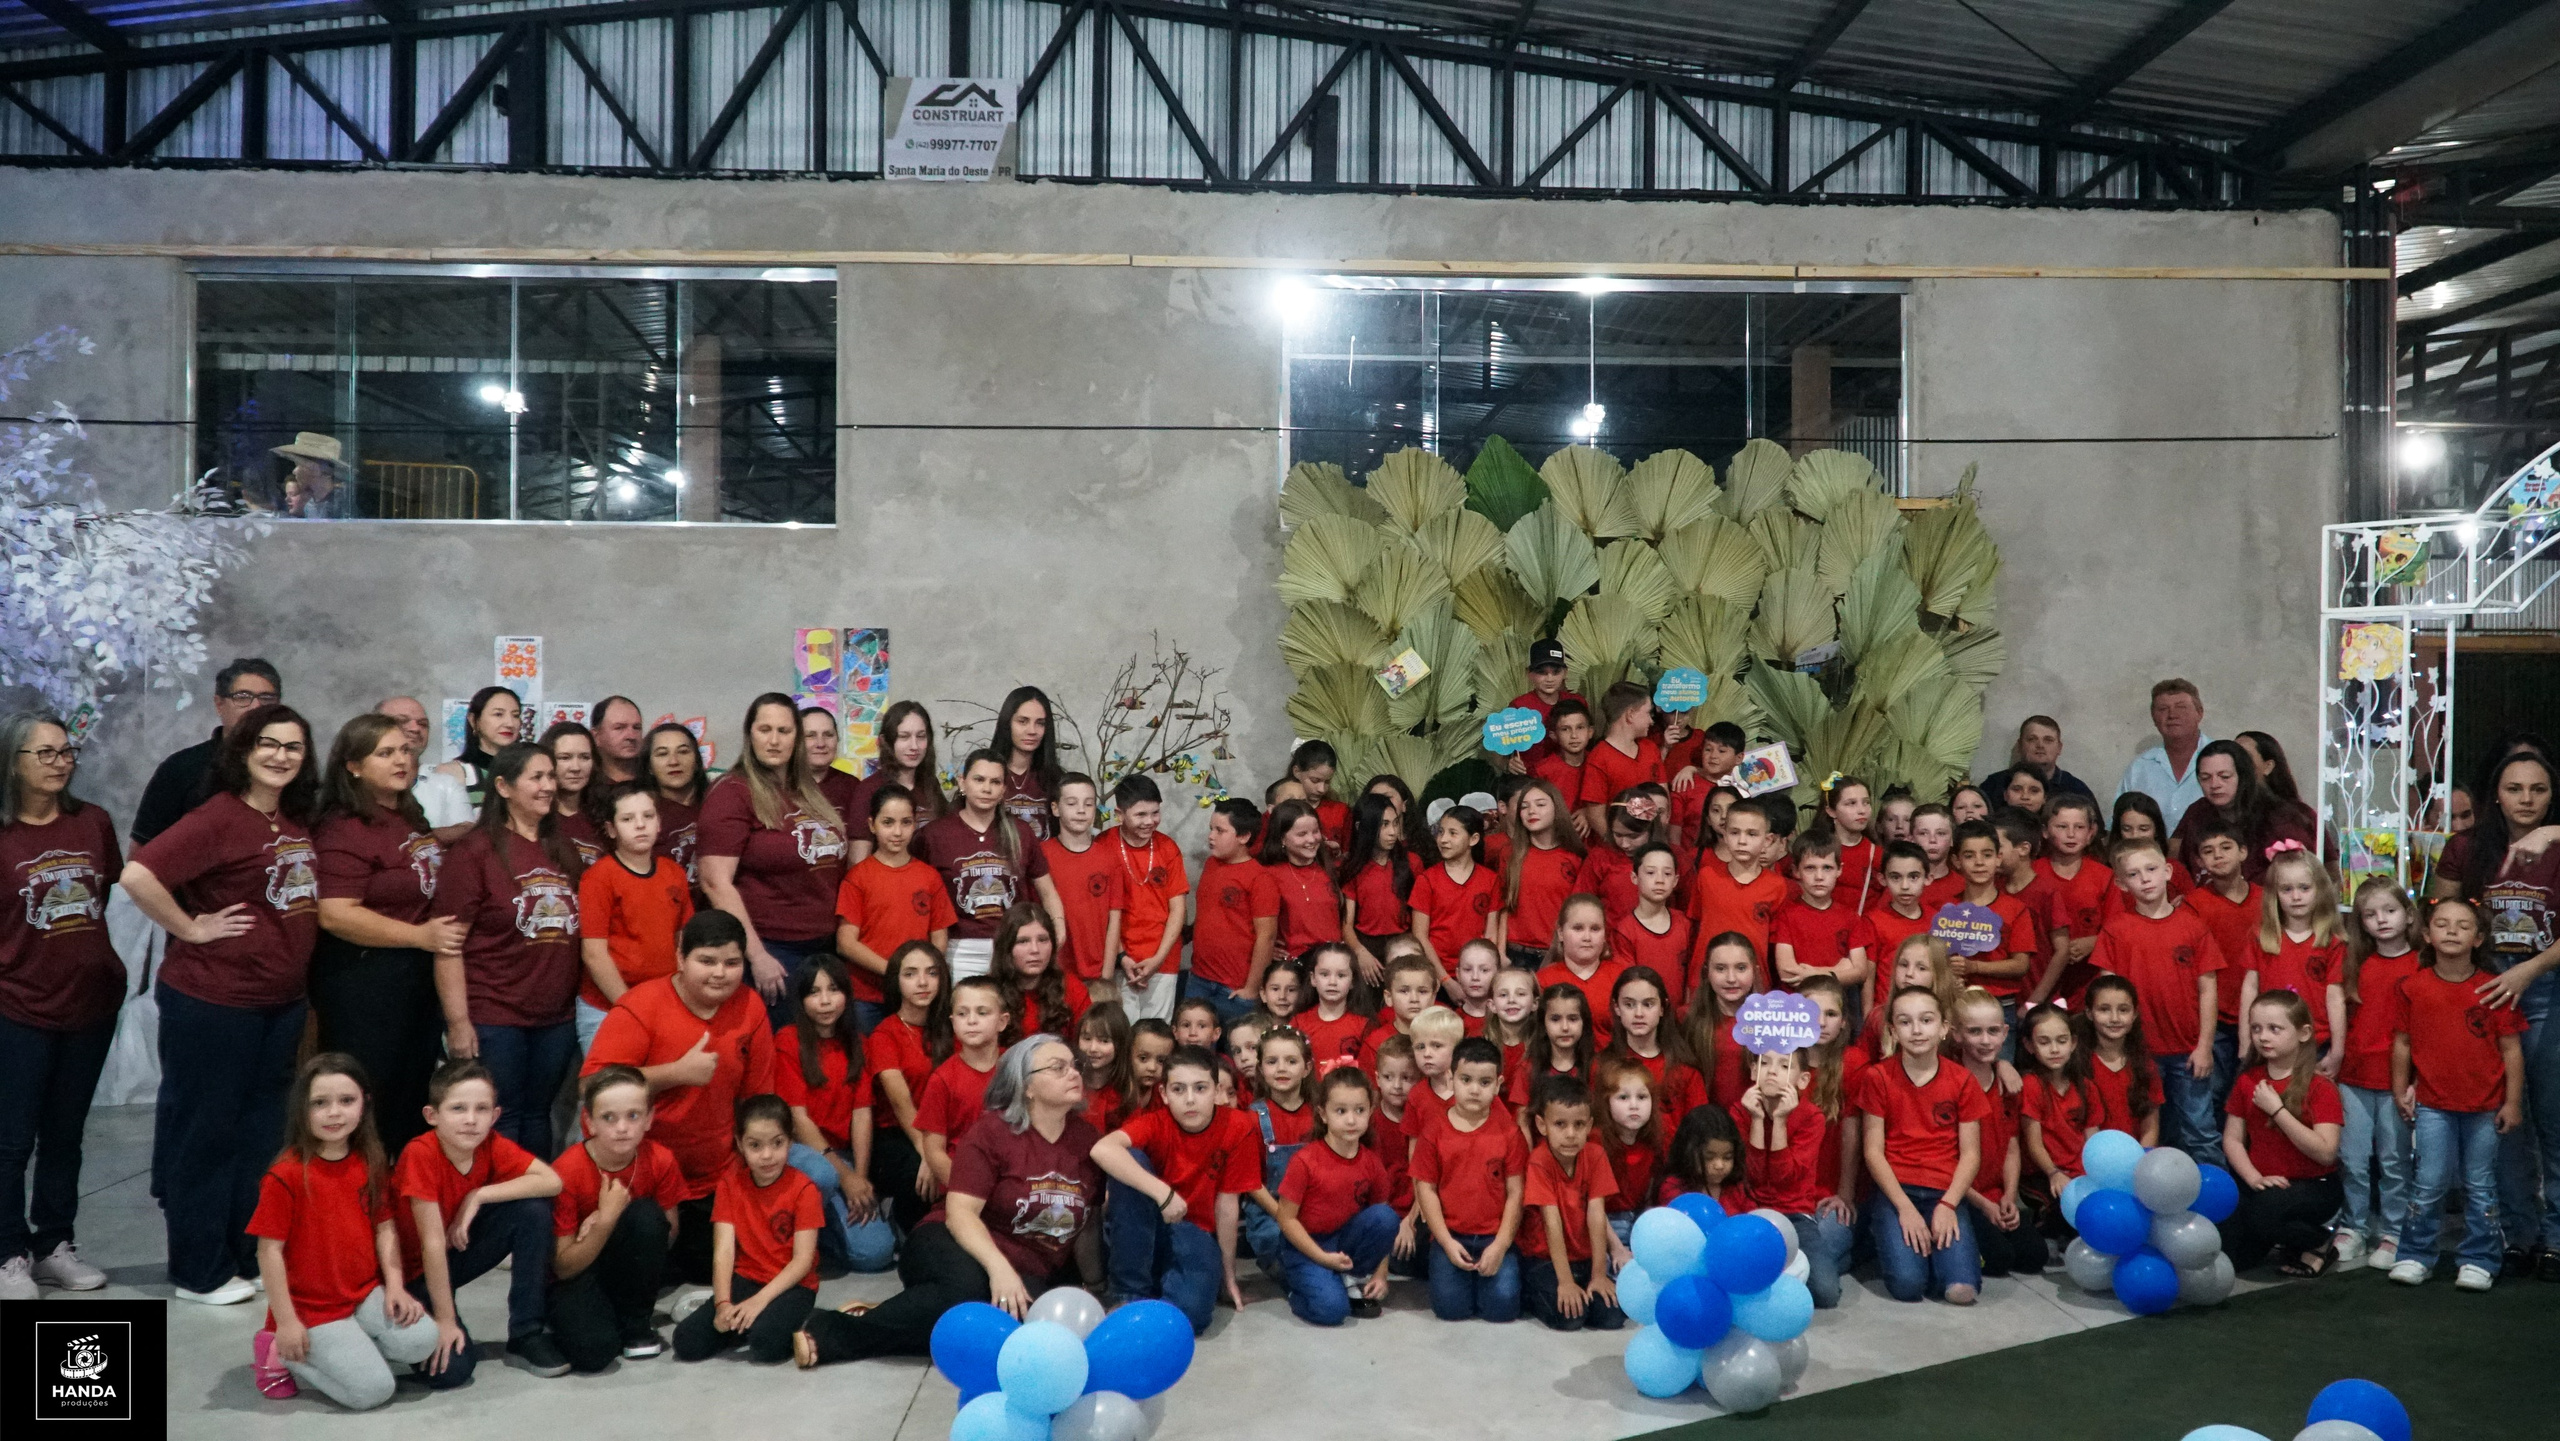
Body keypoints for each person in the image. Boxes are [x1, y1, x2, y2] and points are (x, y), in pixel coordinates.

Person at [121, 702, 321, 1304]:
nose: (281, 756)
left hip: (277, 1003)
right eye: (269, 744)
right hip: (214, 1002)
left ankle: (242, 1253)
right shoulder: (219, 817)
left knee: (259, 1134)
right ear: (241, 751)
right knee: (205, 1134)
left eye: (293, 746)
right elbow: (137, 875)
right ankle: (197, 1269)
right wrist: (189, 928)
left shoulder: (287, 820)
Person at [795, 1035, 1104, 1365]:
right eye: (1058, 1067)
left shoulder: (1087, 1141)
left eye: (1074, 1066)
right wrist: (999, 1269)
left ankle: (897, 1311)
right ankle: (835, 1331)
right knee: (967, 1294)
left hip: (1028, 1267)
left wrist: (1096, 1286)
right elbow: (961, 1214)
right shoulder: (993, 1132)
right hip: (950, 1240)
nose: (1073, 1074)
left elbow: (1086, 1224)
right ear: (1025, 1085)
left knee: (1007, 1335)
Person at [580, 912, 776, 1285]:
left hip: (715, 1174)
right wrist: (675, 1074)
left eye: (732, 963)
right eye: (707, 961)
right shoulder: (641, 1006)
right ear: (680, 959)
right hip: (642, 1173)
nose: (720, 973)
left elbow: (759, 1099)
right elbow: (591, 1086)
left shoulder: (750, 1006)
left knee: (714, 1272)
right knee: (641, 1261)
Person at [0, 711, 122, 1299]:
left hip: (90, 1008)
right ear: (13, 762)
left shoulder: (93, 822)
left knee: (66, 1134)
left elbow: (106, 895)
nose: (59, 763)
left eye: (66, 752)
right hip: (17, 1009)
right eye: (44, 753)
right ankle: (8, 1252)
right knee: (10, 1139)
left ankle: (54, 1245)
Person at [2428, 747, 2560, 1278]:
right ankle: (2514, 1233)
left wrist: (2527, 971)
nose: (2526, 799)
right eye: (2514, 788)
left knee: (2551, 1118)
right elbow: (2442, 916)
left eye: (2538, 789)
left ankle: (2555, 1238)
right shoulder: (2465, 848)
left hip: (2546, 983)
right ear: (2495, 794)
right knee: (2502, 1119)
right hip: (2481, 992)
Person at [246, 1054, 442, 1410]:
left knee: (422, 1340)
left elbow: (385, 1227)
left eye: (346, 1101)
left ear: (364, 1104)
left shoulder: (369, 1159)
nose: (334, 1113)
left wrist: (395, 1286)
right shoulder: (286, 1175)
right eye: (320, 1103)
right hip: (311, 1308)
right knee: (373, 1391)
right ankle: (280, 1349)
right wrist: (287, 1321)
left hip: (361, 1294)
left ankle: (348, 1343)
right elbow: (268, 1252)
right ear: (301, 1109)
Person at [311, 713, 462, 1158]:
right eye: (385, 753)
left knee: (409, 1100)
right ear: (353, 765)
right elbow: (335, 914)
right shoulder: (345, 826)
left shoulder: (405, 813)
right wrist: (419, 936)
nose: (402, 760)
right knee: (368, 1100)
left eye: (406, 751)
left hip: (413, 978)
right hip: (364, 982)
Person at [429, 742, 583, 1158]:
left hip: (555, 1017)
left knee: (539, 1115)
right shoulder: (473, 852)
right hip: (495, 1016)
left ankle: (531, 1213)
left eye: (551, 776)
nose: (548, 786)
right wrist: (458, 1022)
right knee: (501, 1116)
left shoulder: (561, 849)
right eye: (536, 777)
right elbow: (448, 945)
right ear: (503, 786)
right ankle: (495, 1215)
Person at [394, 1058, 569, 1382]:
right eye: (458, 1109)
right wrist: (445, 1321)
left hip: (453, 1252)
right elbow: (431, 1245)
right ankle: (391, 1334)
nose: (471, 1120)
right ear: (432, 1115)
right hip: (410, 1276)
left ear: (495, 1116)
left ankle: (526, 1333)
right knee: (453, 1371)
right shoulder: (420, 1154)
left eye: (481, 1109)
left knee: (532, 1210)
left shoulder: (489, 1143)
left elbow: (551, 1181)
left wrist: (479, 1196)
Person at [2386, 897, 2527, 1291]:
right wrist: (2400, 1090)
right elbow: (2402, 1043)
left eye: (2463, 926)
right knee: (2428, 1182)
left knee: (2480, 1184)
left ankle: (2480, 1258)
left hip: (2484, 1107)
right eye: (2443, 924)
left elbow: (2511, 1049)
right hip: (2432, 1105)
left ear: (2479, 938)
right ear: (2427, 934)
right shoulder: (2412, 987)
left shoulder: (2493, 988)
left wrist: (2512, 1102)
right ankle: (2415, 1254)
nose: (2451, 931)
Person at [698, 694, 850, 1012]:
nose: (774, 740)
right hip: (773, 950)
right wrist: (757, 956)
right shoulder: (732, 792)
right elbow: (715, 882)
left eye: (784, 731)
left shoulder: (806, 790)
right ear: (749, 734)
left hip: (824, 947)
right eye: (765, 729)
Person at [1092, 1044, 1259, 1332]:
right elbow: (1102, 1149)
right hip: (1148, 1224)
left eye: (1201, 1088)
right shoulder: (1155, 1123)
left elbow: (1227, 1204)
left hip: (1195, 1231)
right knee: (1129, 1158)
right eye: (1179, 1090)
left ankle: (1162, 1293)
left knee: (1191, 1318)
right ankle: (1128, 1293)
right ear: (1164, 1094)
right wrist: (1163, 1193)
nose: (1190, 1100)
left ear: (1218, 1091)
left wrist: (1227, 1274)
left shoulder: (1238, 1126)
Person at [2092, 837, 2227, 1166]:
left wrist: (2205, 1046)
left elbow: (2208, 989)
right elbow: (2105, 991)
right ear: (2122, 884)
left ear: (2168, 871)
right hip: (2137, 1053)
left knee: (2200, 1131)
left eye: (2151, 869)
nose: (2146, 879)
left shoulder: (2193, 927)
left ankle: (2216, 1210)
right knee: (2147, 1131)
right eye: (2134, 874)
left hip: (2187, 1052)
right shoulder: (2117, 930)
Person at [547, 1065, 685, 1372]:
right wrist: (606, 1221)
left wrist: (618, 1220)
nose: (622, 1127)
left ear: (649, 1118)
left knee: (648, 1215)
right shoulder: (567, 1171)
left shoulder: (661, 1159)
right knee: (595, 1353)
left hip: (622, 1267)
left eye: (633, 1116)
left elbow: (668, 1234)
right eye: (609, 1118)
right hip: (576, 1274)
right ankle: (581, 1318)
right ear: (589, 1122)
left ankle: (636, 1323)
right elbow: (563, 1267)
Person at [1857, 985, 1988, 1304]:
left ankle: (1941, 1256)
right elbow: (1873, 1151)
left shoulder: (1962, 1080)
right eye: (1905, 1022)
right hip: (1896, 1191)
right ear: (1892, 1030)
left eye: (1926, 1020)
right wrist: (1904, 1208)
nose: (1916, 1030)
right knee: (1908, 1286)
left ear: (1944, 1028)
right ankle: (1893, 1239)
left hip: (1945, 1192)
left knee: (1962, 1291)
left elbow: (1971, 1154)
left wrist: (1948, 1205)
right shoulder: (1878, 1077)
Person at [676, 1094, 820, 1363]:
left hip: (793, 1286)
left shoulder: (804, 1190)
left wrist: (760, 1301)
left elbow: (802, 1262)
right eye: (755, 1145)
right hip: (746, 1280)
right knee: (686, 1342)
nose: (767, 1155)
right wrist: (722, 1305)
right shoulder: (730, 1187)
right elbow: (724, 1252)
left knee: (765, 1345)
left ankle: (797, 1321)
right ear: (740, 1144)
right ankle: (744, 1322)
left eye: (777, 1144)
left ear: (790, 1141)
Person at [777, 956, 896, 1273]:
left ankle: (822, 1232)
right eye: (814, 992)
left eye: (834, 989)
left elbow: (862, 1115)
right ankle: (791, 1244)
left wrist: (860, 1177)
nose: (826, 1001)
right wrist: (845, 1178)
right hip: (800, 1153)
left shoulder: (859, 1043)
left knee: (877, 1254)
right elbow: (798, 1120)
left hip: (841, 1158)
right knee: (822, 1174)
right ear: (801, 1000)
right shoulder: (788, 1040)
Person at [2219, 991, 2345, 1275]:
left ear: (2303, 1033)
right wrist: (2254, 1179)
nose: (2264, 1037)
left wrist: (2277, 1111)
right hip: (2264, 1182)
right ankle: (2285, 1241)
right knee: (2232, 1255)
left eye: (2275, 1029)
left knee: (2264, 1215)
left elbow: (2325, 1152)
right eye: (2256, 1028)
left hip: (2315, 1184)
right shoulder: (2248, 1080)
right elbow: (2232, 1139)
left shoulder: (2320, 1087)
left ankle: (2320, 1241)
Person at [2334, 880, 2421, 1271]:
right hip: (2353, 1077)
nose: (2381, 920)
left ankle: (2394, 1231)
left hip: (2396, 1082)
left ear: (2408, 916)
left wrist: (2416, 1082)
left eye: (2389, 911)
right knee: (2352, 1159)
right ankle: (2353, 1226)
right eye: (2370, 914)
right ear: (2360, 923)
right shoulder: (2354, 964)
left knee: (2394, 1161)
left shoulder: (2421, 964)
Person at [1411, 1036, 1527, 1322]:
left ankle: (1494, 1273)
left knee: (1502, 1309)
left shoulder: (1509, 1133)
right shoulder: (1434, 1131)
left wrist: (1500, 1245)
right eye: (1466, 1080)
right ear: (1451, 1079)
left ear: (1498, 1084)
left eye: (1485, 1083)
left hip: (1495, 1236)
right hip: (1450, 1235)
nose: (1475, 1090)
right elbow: (1426, 1189)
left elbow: (1516, 1193)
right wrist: (1446, 1242)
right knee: (1451, 1310)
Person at [1273, 1065, 1400, 1324]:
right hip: (1306, 1247)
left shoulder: (1371, 1162)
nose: (1351, 1120)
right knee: (1332, 1311)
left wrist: (1381, 1274)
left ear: (1370, 1112)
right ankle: (1296, 1286)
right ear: (1323, 1114)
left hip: (1344, 1241)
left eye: (1359, 1111)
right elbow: (1286, 1219)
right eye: (1341, 1111)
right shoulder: (1305, 1161)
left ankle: (1347, 1276)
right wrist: (1321, 1258)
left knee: (1386, 1216)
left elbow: (1382, 1223)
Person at [919, 750, 1060, 982]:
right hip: (957, 949)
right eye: (979, 780)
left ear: (1004, 790)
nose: (987, 788)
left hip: (1012, 947)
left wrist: (1056, 933)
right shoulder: (934, 834)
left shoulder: (1022, 833)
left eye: (995, 782)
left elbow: (1048, 892)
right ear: (963, 782)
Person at [576, 785, 695, 1050]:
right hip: (609, 1007)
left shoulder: (673, 872)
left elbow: (684, 940)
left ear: (659, 823)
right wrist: (631, 1009)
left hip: (666, 1003)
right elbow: (594, 954)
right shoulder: (599, 878)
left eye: (648, 816)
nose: (640, 825)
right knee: (612, 1088)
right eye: (628, 819)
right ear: (611, 829)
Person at [1736, 1045, 1854, 1305]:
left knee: (1826, 1293)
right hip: (1751, 1210)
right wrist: (1757, 1119)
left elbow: (1784, 1177)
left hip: (1795, 1215)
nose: (1772, 1072)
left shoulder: (1812, 1117)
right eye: (1764, 1064)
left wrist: (1779, 1121)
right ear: (1753, 1070)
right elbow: (1752, 1176)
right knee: (1744, 1283)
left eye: (1784, 1066)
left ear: (1803, 1080)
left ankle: (1836, 1255)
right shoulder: (1739, 1111)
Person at [834, 786, 956, 1034]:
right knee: (868, 1063)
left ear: (915, 824)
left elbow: (939, 936)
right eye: (888, 823)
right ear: (872, 825)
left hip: (916, 995)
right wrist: (898, 972)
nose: (897, 832)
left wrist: (920, 975)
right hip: (867, 997)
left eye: (906, 822)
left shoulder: (928, 876)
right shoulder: (858, 877)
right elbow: (846, 943)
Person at [131, 657, 281, 845]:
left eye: (267, 698)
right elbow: (142, 853)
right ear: (219, 704)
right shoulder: (180, 769)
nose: (256, 707)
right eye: (242, 697)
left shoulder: (289, 766)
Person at [1949, 989, 2044, 1277]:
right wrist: (1983, 1204)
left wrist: (2009, 1197)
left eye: (1993, 1031)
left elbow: (2012, 1146)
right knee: (1999, 1260)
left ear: (2005, 1033)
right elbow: (1945, 1161)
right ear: (1957, 1034)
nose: (1986, 1040)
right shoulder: (1950, 1083)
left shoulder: (2010, 1084)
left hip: (1996, 1194)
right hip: (1963, 1198)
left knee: (2033, 1257)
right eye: (1975, 1032)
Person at [1519, 1073, 1623, 1332]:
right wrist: (1565, 1282)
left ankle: (1585, 1283)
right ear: (1542, 1126)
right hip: (1544, 1259)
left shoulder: (1595, 1155)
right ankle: (1531, 1293)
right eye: (1560, 1124)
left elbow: (1596, 1214)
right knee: (1570, 1318)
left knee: (1611, 1316)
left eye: (1578, 1125)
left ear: (1589, 1126)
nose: (1570, 1134)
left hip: (1585, 1259)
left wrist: (1599, 1274)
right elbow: (1551, 1221)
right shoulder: (1539, 1161)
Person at [867, 942, 953, 1234]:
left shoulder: (953, 1026)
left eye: (931, 973)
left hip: (946, 1129)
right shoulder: (885, 1033)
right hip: (901, 1134)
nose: (922, 982)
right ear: (896, 980)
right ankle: (909, 1226)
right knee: (919, 1174)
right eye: (911, 973)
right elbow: (902, 1105)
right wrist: (929, 1152)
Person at [2172, 741, 2317, 886]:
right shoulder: (2197, 812)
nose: (2215, 784)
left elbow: (2305, 876)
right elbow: (2182, 869)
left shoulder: (2281, 819)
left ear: (2244, 776)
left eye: (2225, 776)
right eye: (2205, 778)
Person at [1189, 799, 1279, 1025]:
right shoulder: (1211, 865)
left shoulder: (1260, 879)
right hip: (1198, 979)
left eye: (1220, 830)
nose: (1211, 836)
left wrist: (1251, 988)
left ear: (1244, 836)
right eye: (1211, 828)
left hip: (1233, 988)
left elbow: (1266, 937)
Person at [1111, 775, 1191, 1022]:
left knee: (1156, 1038)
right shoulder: (1104, 846)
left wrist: (1157, 959)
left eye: (1155, 813)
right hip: (1118, 960)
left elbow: (1178, 910)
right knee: (1120, 1037)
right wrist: (1122, 958)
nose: (1149, 822)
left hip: (1162, 961)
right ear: (1119, 814)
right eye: (1140, 815)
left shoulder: (1168, 848)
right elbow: (1101, 913)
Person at [1039, 774, 1124, 1001]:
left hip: (1098, 974)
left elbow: (1114, 919)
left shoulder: (1108, 858)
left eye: (1088, 804)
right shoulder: (1041, 856)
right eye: (1072, 803)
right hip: (1054, 972)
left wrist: (1106, 974)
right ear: (1056, 808)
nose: (1081, 810)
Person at [1500, 780, 1585, 970]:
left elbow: (1577, 912)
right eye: (1524, 806)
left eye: (1540, 804)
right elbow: (1503, 907)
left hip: (1558, 952)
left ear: (1557, 809)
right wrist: (1500, 952)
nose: (1531, 811)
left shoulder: (1574, 857)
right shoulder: (1510, 855)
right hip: (1515, 953)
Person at [846, 701, 947, 860]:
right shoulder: (869, 789)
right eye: (904, 736)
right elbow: (858, 864)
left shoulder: (929, 784)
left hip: (930, 881)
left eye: (921, 736)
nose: (914, 746)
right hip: (885, 881)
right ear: (886, 741)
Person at [416, 687, 522, 836]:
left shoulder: (526, 772)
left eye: (515, 715)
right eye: (498, 714)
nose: (510, 723)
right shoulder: (453, 772)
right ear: (474, 721)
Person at [2120, 679, 2215, 832]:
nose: (2172, 715)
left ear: (2200, 713)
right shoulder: (2139, 768)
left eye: (2181, 707)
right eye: (2163, 709)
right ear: (2153, 718)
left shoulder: (2225, 759)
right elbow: (2118, 822)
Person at [1501, 639, 1585, 774]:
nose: (1549, 678)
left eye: (1556, 671)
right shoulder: (1519, 706)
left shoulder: (1577, 702)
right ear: (1530, 674)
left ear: (1565, 672)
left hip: (1573, 776)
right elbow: (1498, 745)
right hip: (1531, 781)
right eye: (1542, 672)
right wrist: (1507, 764)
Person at [992, 686, 1064, 841]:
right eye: (1023, 721)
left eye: (1040, 723)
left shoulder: (1057, 779)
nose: (1032, 730)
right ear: (1007, 723)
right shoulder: (986, 774)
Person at [646, 723, 710, 884]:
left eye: (683, 751)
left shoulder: (718, 803)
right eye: (662, 754)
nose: (673, 761)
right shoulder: (642, 814)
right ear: (649, 767)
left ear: (696, 761)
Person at [1981, 715, 2093, 808]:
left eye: (2048, 740)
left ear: (2059, 747)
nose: (2040, 745)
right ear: (2020, 745)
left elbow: (2097, 832)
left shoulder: (2076, 790)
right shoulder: (1994, 785)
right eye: (2032, 739)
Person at [800, 705, 860, 826]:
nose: (821, 743)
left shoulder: (853, 787)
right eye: (810, 735)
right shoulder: (781, 786)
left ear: (837, 739)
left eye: (828, 735)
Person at [590, 697, 648, 790]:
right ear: (596, 736)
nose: (631, 736)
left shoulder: (656, 784)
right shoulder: (584, 786)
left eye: (636, 728)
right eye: (619, 728)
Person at [374, 696, 433, 765]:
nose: (415, 729)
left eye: (423, 724)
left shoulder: (440, 775)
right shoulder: (360, 772)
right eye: (402, 721)